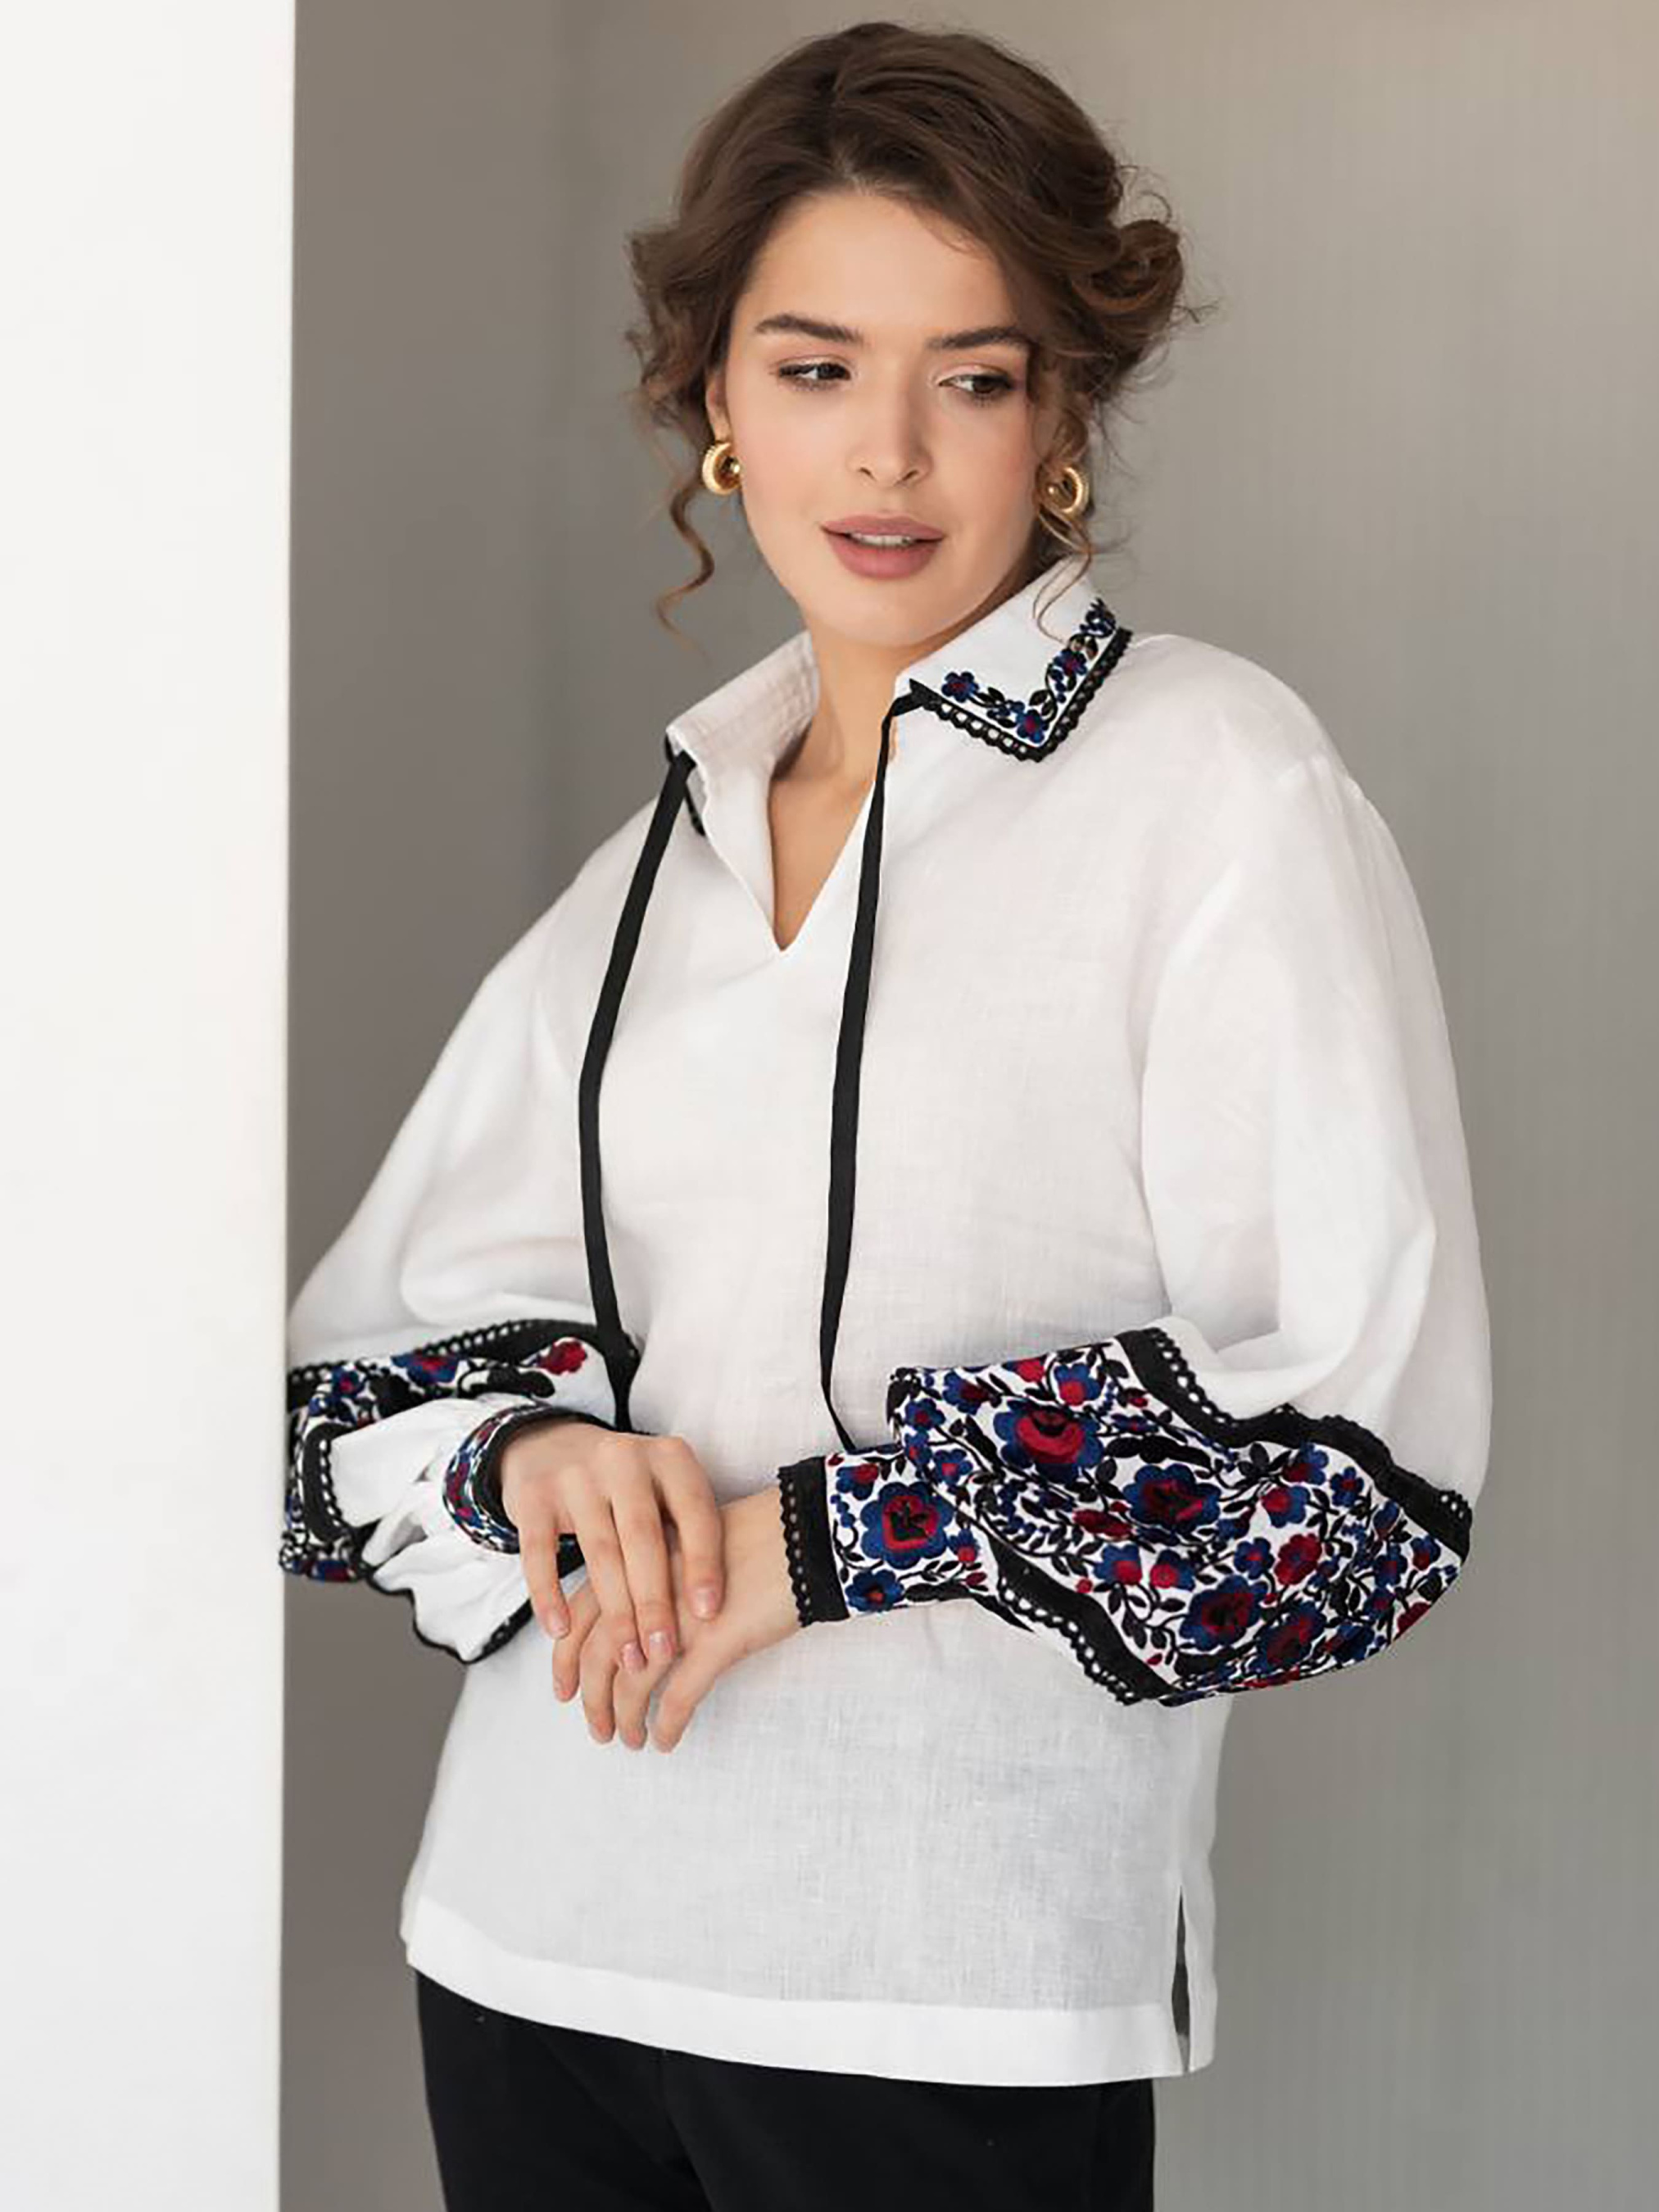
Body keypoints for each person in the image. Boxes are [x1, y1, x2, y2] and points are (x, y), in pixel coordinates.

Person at [282, 22, 1491, 2211]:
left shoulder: (1215, 786)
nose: (888, 450)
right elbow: (330, 1407)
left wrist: (842, 1530)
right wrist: (529, 1453)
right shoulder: (651, 869)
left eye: (975, 373)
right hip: (527, 1941)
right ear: (717, 404)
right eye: (816, 365)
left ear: (1063, 413)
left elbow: (1356, 1476)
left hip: (937, 1983)